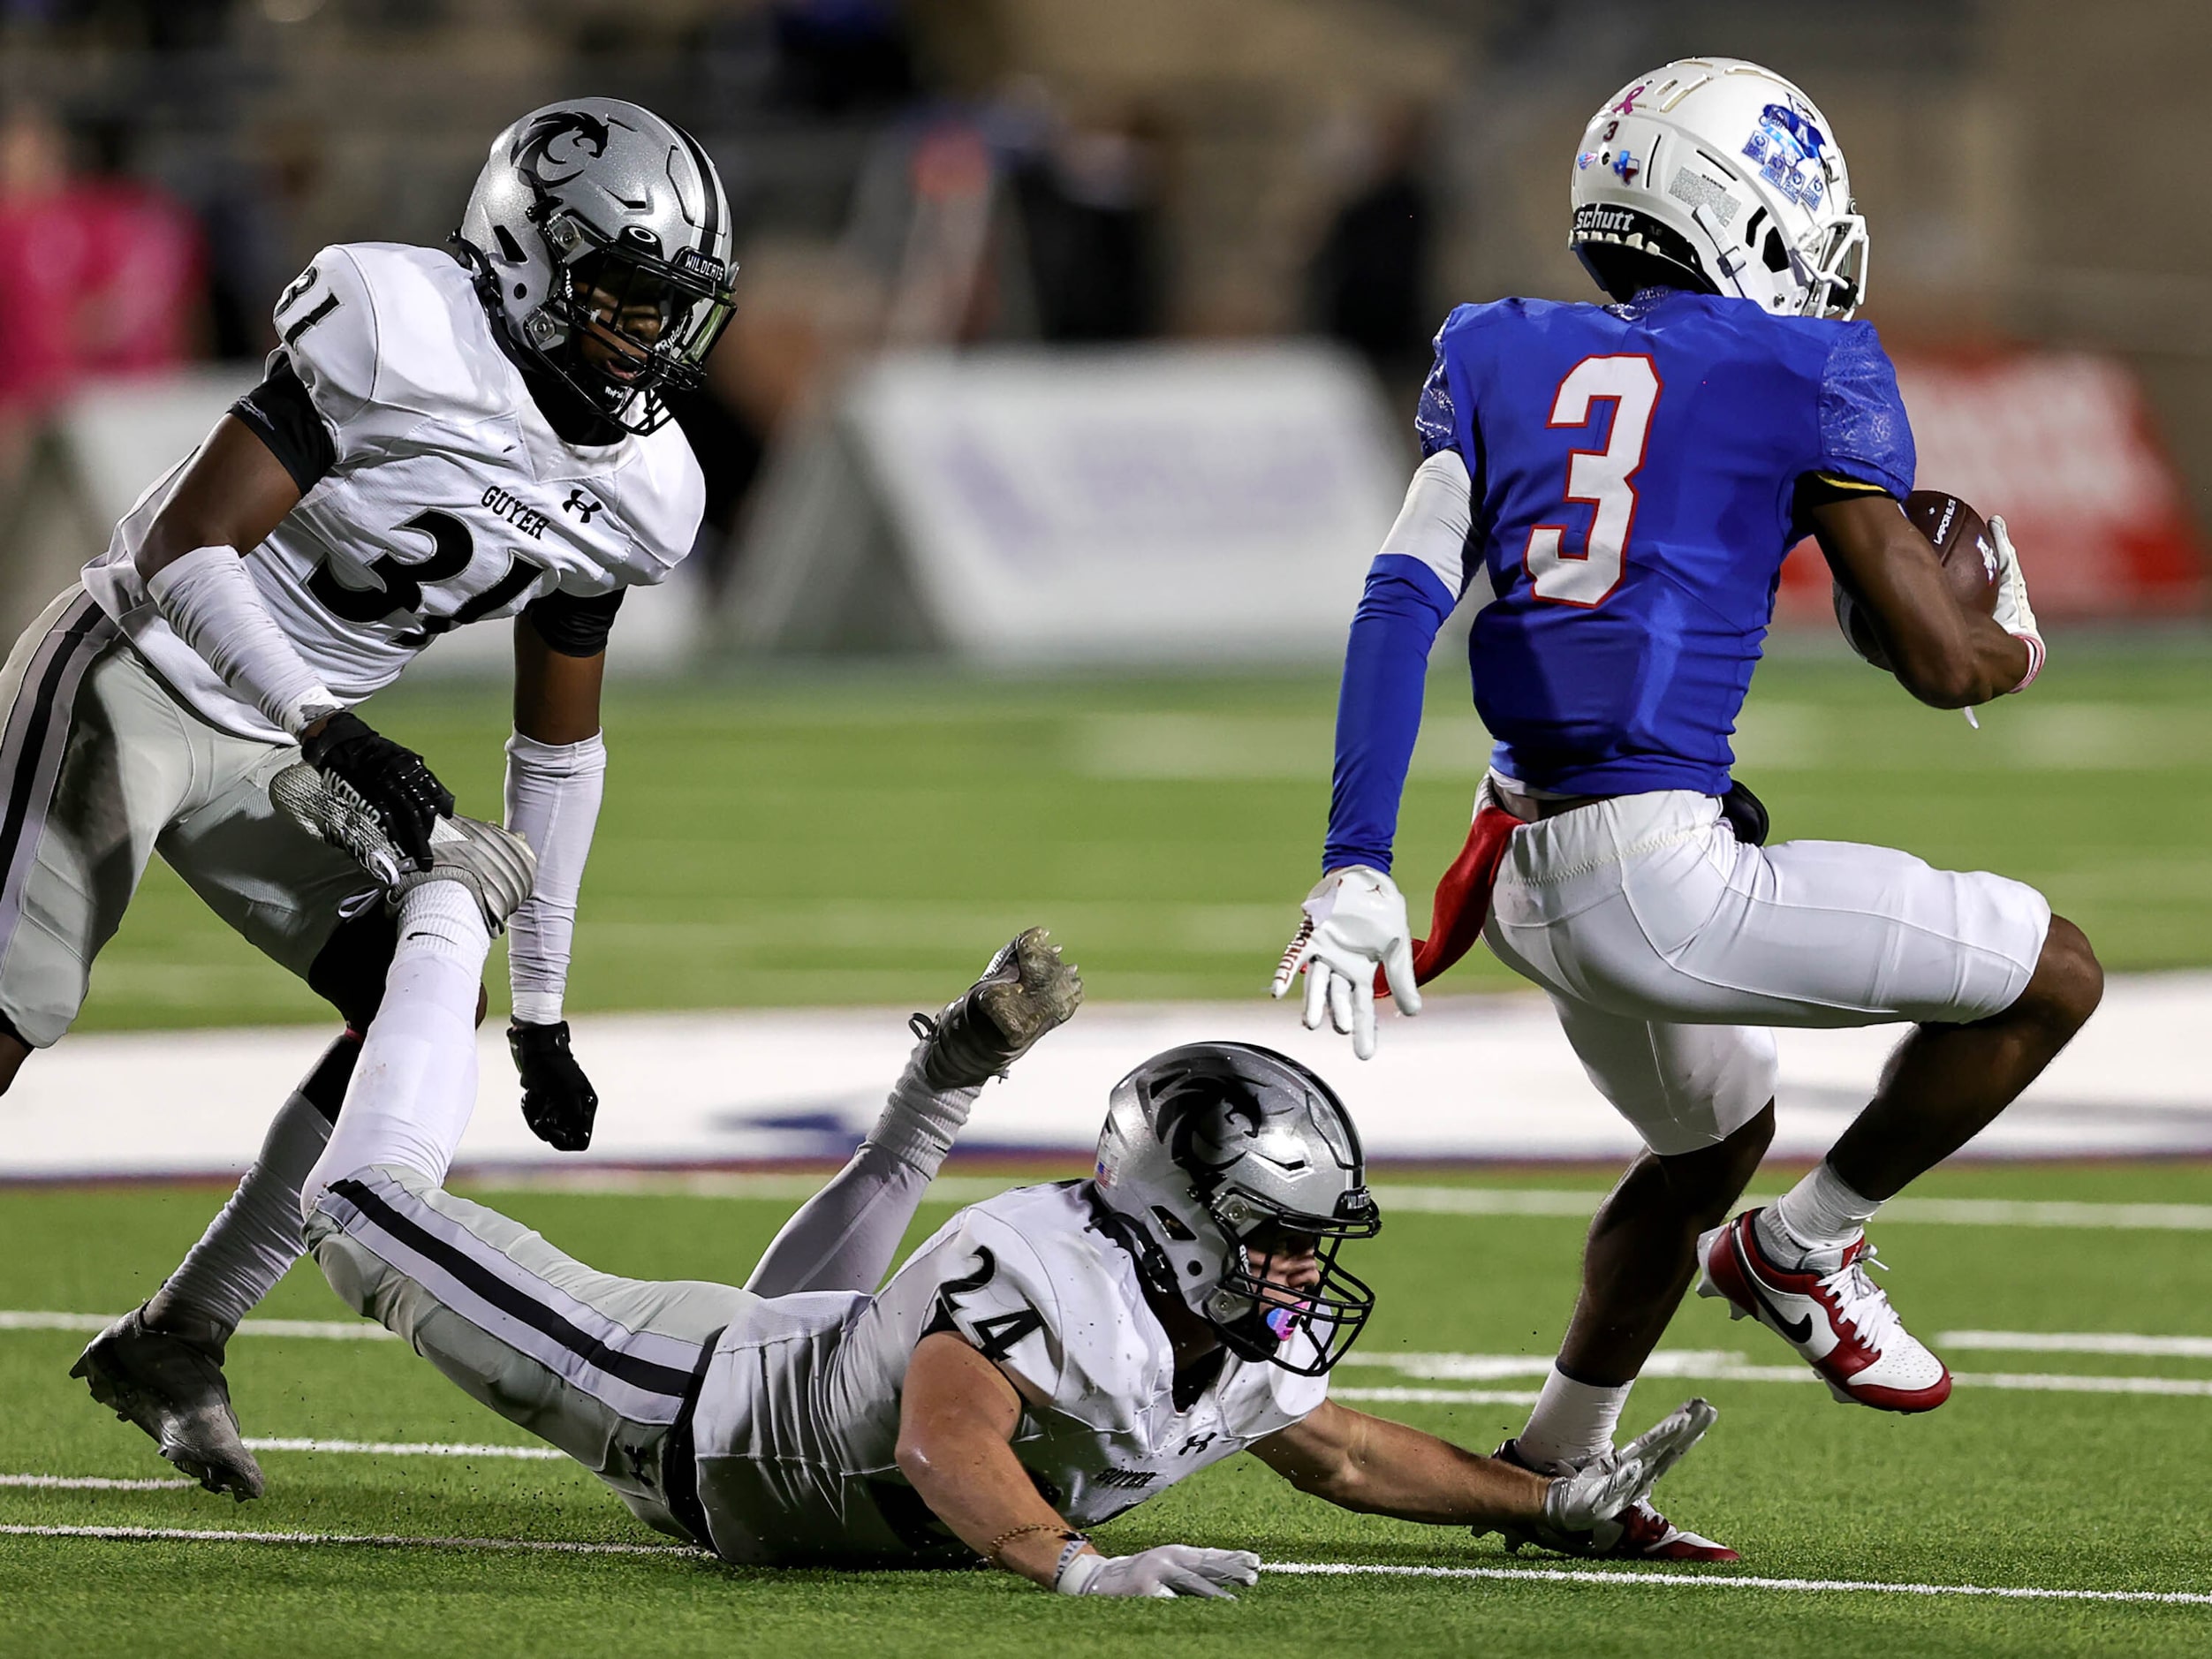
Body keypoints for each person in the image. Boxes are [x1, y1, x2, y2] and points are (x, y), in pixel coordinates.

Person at [1272, 57, 2103, 1561]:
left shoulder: (1497, 345)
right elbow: (1939, 657)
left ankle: (1557, 1467)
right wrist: (2020, 635)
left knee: (1709, 1134)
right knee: (2057, 974)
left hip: (1526, 864)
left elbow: (1398, 601)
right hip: (1658, 884)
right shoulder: (1816, 366)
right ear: (1747, 213)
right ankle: (1811, 1244)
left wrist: (1352, 864)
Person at [279, 847, 1718, 1590]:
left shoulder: (1214, 1316)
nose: (1297, 1263)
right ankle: (448, 915)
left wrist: (1549, 1503)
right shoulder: (1043, 1263)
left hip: (806, 1384)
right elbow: (939, 1436)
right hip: (682, 1405)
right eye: (1273, 1228)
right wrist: (1071, 1565)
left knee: (832, 1330)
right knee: (353, 1210)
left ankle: (940, 1075)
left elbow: (1342, 1451)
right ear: (1180, 1214)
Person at [31, 97, 739, 1500]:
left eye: (670, 309)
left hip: (293, 744)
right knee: (7, 1013)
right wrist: (327, 727)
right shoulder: (403, 323)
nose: (645, 335)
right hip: (143, 667)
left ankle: (182, 1333)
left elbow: (559, 751)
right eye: (620, 294)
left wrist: (542, 1008)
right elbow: (186, 545)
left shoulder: (642, 484)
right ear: (531, 256)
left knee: (418, 993)